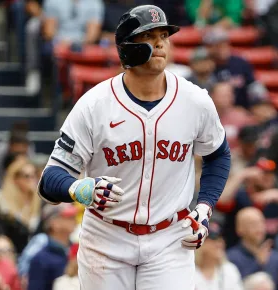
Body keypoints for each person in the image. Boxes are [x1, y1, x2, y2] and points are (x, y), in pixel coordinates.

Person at [38, 5, 231, 290]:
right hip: (107, 236)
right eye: (148, 36)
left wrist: (204, 207)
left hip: (169, 238)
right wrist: (80, 189)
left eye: (164, 35)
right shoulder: (95, 104)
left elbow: (218, 155)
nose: (159, 43)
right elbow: (49, 179)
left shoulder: (195, 100)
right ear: (127, 48)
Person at [226, 207, 278, 287]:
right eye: (252, 224)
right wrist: (258, 264)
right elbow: (235, 285)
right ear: (239, 229)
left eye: (262, 222)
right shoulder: (231, 258)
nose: (259, 227)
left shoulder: (275, 257)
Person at [0, 157, 41, 254]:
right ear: (15, 179)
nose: (32, 179)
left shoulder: (39, 202)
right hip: (11, 253)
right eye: (27, 176)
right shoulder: (2, 201)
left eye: (34, 175)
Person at [27, 204, 78, 290]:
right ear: (54, 224)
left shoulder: (78, 251)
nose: (74, 221)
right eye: (69, 217)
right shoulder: (40, 260)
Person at [195, 220, 244, 290]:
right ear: (200, 243)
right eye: (213, 239)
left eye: (220, 239)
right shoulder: (188, 270)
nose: (219, 244)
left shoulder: (229, 269)